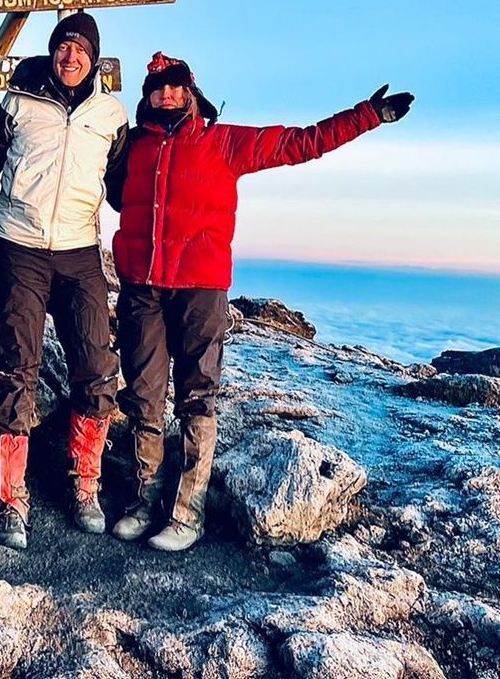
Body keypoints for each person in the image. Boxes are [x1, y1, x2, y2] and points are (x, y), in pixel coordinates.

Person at [106, 52, 414, 551]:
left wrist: (367, 116)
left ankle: (186, 513)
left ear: (190, 92)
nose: (165, 94)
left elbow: (299, 143)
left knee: (195, 396)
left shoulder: (223, 142)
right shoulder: (133, 147)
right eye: (157, 87)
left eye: (174, 86)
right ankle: (145, 501)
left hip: (200, 289)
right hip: (142, 287)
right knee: (142, 397)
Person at [0, 11, 129, 550]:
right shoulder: (18, 103)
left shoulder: (110, 114)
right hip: (17, 244)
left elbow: (122, 185)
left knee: (95, 363)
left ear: (94, 58)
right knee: (15, 362)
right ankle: (10, 497)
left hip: (79, 251)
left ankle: (85, 484)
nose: (72, 57)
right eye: (64, 47)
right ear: (53, 52)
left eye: (82, 50)